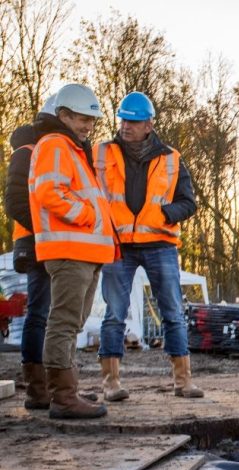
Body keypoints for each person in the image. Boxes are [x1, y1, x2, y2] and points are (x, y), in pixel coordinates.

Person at [95, 91, 202, 400]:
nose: (126, 126)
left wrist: (164, 214)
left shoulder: (171, 158)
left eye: (133, 121)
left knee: (173, 312)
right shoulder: (102, 153)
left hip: (160, 243)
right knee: (114, 313)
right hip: (118, 244)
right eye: (123, 120)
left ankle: (183, 381)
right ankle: (111, 383)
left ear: (149, 125)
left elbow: (188, 202)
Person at [27, 83, 116, 419]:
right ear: (63, 115)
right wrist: (88, 216)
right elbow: (49, 192)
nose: (88, 126)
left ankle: (66, 390)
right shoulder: (55, 145)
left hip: (83, 250)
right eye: (82, 119)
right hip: (69, 249)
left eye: (91, 121)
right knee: (64, 323)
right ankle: (63, 398)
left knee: (71, 324)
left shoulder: (70, 147)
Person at [4, 92, 58, 411]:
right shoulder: (28, 151)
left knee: (55, 315)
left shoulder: (54, 151)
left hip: (57, 242)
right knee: (39, 313)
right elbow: (14, 202)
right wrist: (45, 227)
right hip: (38, 244)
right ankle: (38, 389)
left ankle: (55, 385)